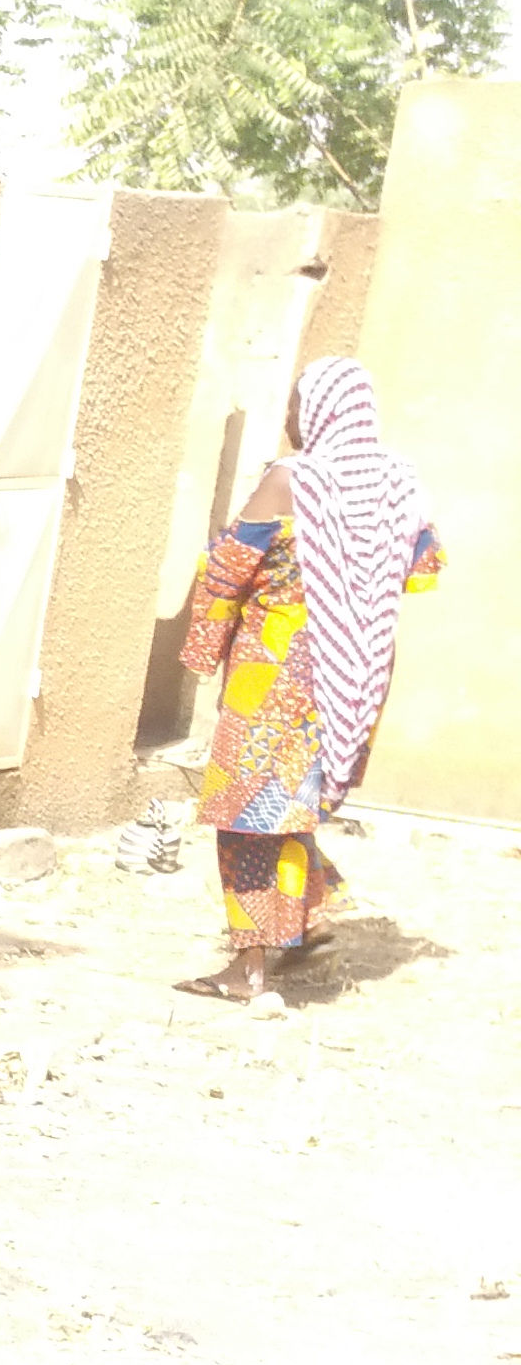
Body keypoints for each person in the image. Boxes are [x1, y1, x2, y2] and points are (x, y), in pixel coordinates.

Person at [173, 356, 442, 1002]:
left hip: (281, 670)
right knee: (293, 803)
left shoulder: (291, 481)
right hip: (359, 670)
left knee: (251, 815)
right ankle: (311, 917)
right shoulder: (399, 481)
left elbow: (227, 572)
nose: (290, 418)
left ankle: (248, 969)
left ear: (319, 410)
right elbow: (424, 568)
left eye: (296, 404)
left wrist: (202, 651)